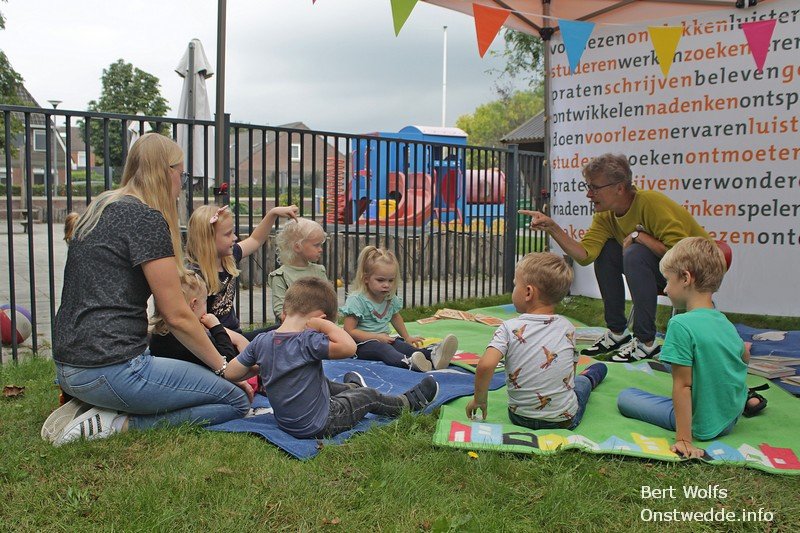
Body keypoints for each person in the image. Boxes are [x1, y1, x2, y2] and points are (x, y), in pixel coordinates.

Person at [43, 133, 250, 446]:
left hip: (68, 369)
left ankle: (93, 406)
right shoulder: (145, 218)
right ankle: (116, 424)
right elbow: (176, 315)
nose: (182, 184)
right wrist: (223, 367)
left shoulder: (100, 207)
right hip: (114, 369)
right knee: (235, 400)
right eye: (182, 174)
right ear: (166, 173)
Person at [521, 153, 709, 363]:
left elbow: (681, 253)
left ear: (619, 188)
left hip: (694, 269)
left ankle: (646, 342)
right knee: (607, 250)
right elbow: (585, 255)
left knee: (635, 252)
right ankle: (618, 332)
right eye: (588, 187)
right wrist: (552, 228)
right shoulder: (605, 214)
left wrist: (640, 237)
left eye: (594, 188)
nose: (589, 194)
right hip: (664, 269)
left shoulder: (649, 202)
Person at [224, 277, 440, 439]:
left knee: (319, 381)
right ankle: (405, 404)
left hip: (287, 422)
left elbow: (231, 373)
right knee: (368, 396)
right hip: (320, 424)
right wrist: (323, 326)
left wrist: (263, 366)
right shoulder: (307, 339)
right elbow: (349, 347)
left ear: (283, 313)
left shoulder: (261, 341)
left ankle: (350, 389)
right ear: (321, 318)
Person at [616, 237, 748, 458]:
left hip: (702, 422)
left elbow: (683, 386)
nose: (666, 289)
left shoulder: (680, 324)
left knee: (626, 397)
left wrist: (684, 440)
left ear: (686, 278)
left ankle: (690, 423)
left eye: (668, 280)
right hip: (730, 417)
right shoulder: (723, 321)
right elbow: (744, 356)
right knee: (688, 360)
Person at [466, 253, 607, 430]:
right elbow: (569, 371)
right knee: (582, 383)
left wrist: (479, 400)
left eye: (515, 284)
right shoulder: (568, 328)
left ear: (528, 292)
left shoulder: (508, 328)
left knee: (579, 382)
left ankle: (591, 374)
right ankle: (593, 374)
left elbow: (486, 365)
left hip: (520, 418)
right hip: (562, 421)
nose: (513, 289)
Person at [185, 202, 298, 340]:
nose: (234, 238)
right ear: (208, 239)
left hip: (235, 335)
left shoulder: (228, 258)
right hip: (217, 341)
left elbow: (255, 239)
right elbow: (197, 326)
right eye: (228, 234)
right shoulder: (195, 277)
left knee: (286, 330)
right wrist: (238, 341)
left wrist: (273, 213)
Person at [340, 246, 457, 372]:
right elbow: (349, 330)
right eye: (380, 280)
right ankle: (409, 363)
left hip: (384, 339)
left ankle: (433, 356)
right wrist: (377, 337)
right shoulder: (357, 300)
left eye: (391, 280)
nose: (386, 285)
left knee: (404, 347)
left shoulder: (389, 298)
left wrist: (407, 337)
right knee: (385, 350)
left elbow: (395, 317)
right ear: (366, 279)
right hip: (360, 345)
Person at [149, 271, 249, 365]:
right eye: (205, 302)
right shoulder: (190, 337)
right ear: (193, 305)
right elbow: (227, 360)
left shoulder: (158, 335)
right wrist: (217, 327)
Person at [269, 217, 328, 322]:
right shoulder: (281, 276)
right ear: (297, 247)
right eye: (316, 245)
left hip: (320, 324)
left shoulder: (319, 271)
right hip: (292, 327)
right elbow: (280, 310)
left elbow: (329, 302)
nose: (320, 249)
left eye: (321, 245)